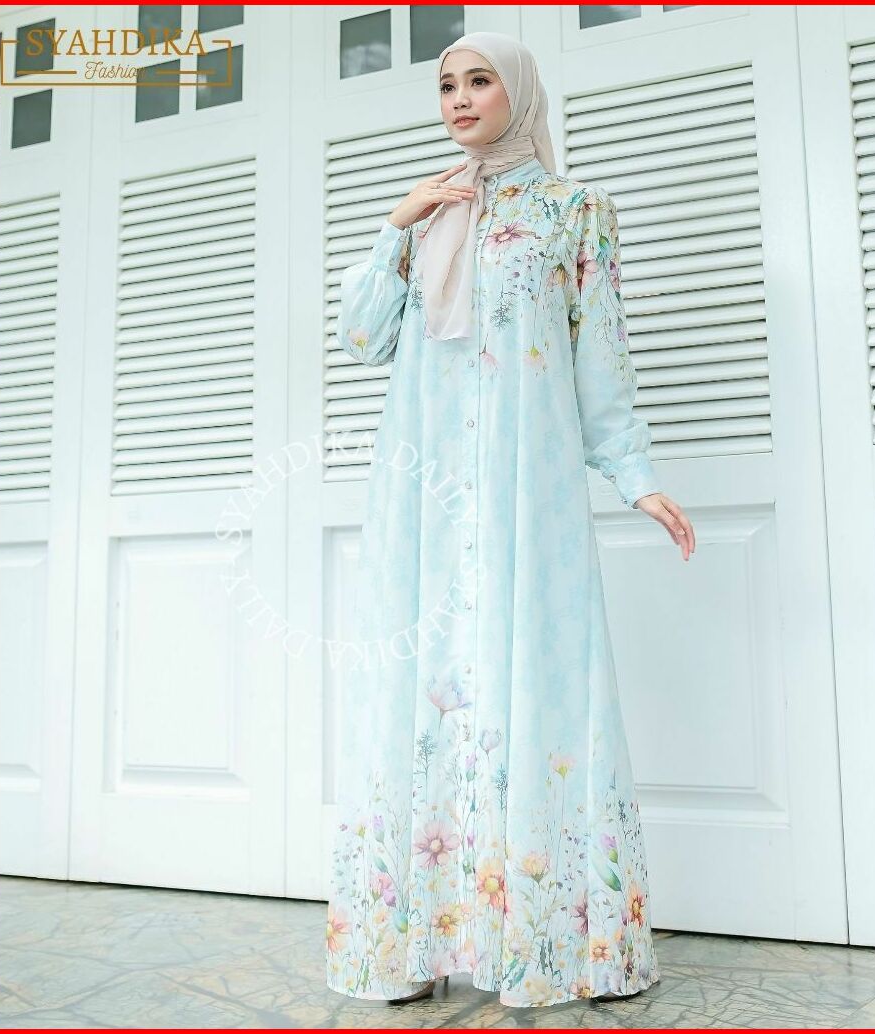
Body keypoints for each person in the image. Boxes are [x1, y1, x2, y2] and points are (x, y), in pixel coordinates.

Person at [324, 30, 696, 1010]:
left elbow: (598, 358)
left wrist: (636, 476)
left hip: (528, 491)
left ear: (517, 92)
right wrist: (394, 225)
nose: (458, 98)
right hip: (425, 497)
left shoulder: (575, 212)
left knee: (536, 686)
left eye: (478, 80)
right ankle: (412, 942)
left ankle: (558, 945)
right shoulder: (429, 213)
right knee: (425, 694)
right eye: (445, 84)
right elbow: (361, 336)